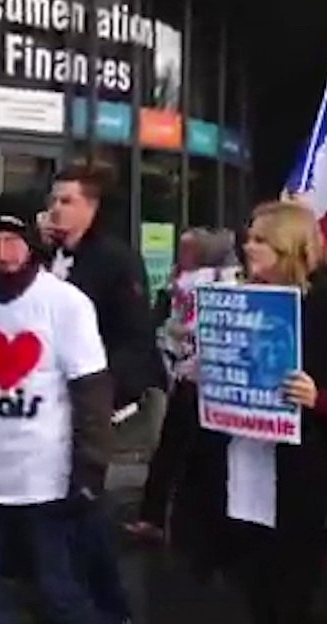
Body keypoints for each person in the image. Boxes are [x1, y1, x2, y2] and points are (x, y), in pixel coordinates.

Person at [171, 201, 327, 624]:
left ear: (291, 248)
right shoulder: (234, 303)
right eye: (248, 238)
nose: (248, 248)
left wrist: (320, 398)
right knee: (249, 594)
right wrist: (205, 372)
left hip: (300, 481)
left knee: (291, 597)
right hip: (235, 476)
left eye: (260, 240)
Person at [0, 192, 113, 624]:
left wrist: (89, 471)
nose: (4, 253)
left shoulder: (65, 303)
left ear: (31, 243)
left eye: (13, 240)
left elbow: (91, 393)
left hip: (45, 477)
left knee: (58, 590)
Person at [46, 161, 162, 621]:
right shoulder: (47, 257)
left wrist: (106, 395)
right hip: (48, 400)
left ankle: (107, 605)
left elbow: (134, 337)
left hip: (93, 401)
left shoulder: (115, 260)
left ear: (92, 207)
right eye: (53, 200)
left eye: (67, 201)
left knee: (84, 498)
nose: (55, 209)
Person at [126, 227, 242, 543]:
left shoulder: (215, 282)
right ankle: (161, 517)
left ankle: (175, 520)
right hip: (187, 372)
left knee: (187, 449)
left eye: (189, 249)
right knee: (174, 447)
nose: (183, 255)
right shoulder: (186, 281)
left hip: (202, 374)